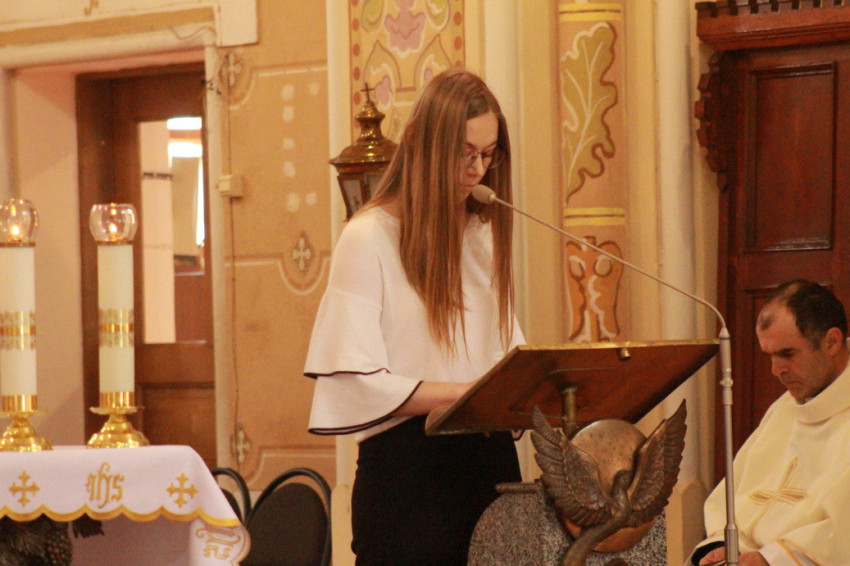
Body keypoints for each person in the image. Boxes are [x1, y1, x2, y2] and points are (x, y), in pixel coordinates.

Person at [304, 69, 523, 565]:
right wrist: (465, 393)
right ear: (425, 146)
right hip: (411, 479)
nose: (477, 170)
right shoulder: (369, 237)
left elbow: (508, 359)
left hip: (490, 469)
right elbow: (355, 382)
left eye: (488, 154)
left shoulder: (482, 236)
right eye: (465, 153)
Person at [691, 280, 850, 566]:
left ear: (832, 342)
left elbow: (841, 532)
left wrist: (772, 559)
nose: (775, 371)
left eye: (787, 354)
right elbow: (735, 497)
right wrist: (723, 547)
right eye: (770, 356)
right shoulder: (785, 409)